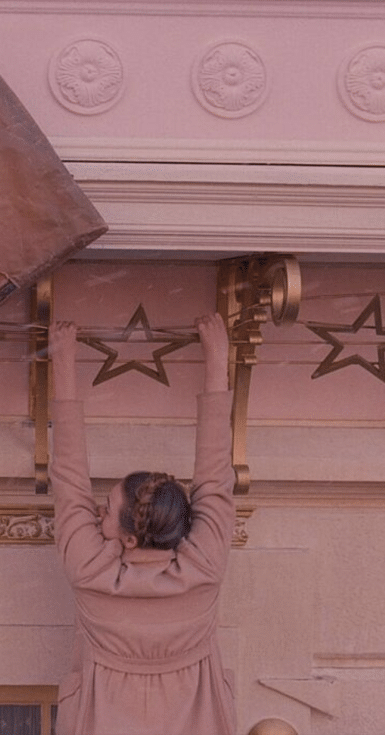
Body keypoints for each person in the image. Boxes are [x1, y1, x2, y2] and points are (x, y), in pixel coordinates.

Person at [47, 312, 236, 735]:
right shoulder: (204, 570)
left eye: (107, 508)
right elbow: (215, 476)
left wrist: (62, 362)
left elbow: (69, 479)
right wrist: (217, 360)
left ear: (130, 539)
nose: (97, 510)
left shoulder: (90, 572)